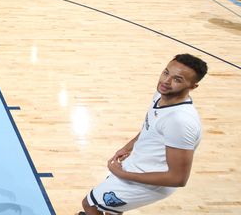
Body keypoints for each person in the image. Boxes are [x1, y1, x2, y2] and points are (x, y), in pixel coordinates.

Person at [81, 54, 207, 215]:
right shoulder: (162, 96)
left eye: (177, 79)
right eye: (166, 73)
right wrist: (128, 147)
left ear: (193, 86)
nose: (166, 81)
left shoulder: (180, 121)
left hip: (150, 183)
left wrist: (124, 174)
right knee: (111, 210)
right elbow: (150, 127)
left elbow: (178, 178)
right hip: (136, 166)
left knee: (90, 205)